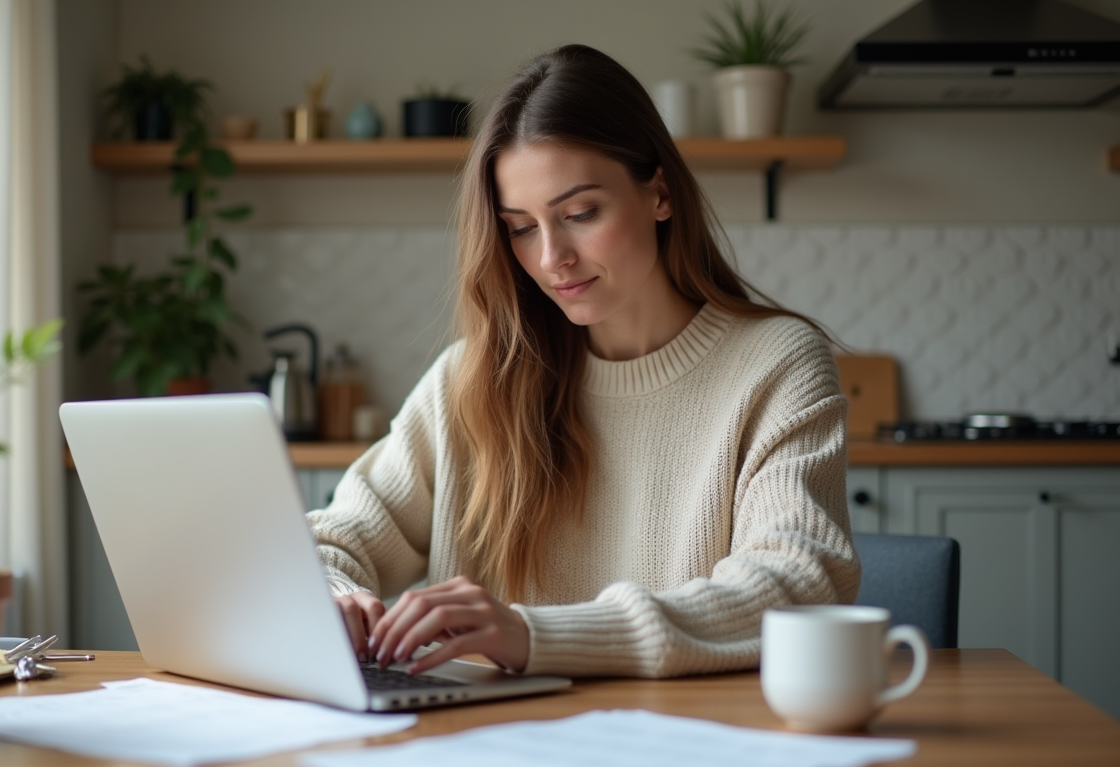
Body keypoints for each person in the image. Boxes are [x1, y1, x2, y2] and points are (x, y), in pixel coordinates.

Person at [309, 43, 859, 680]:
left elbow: (797, 581)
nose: (551, 259)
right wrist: (335, 599)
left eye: (580, 214)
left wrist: (533, 633)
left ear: (659, 193)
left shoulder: (778, 365)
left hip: (687, 754)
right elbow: (334, 537)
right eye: (520, 226)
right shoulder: (473, 378)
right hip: (494, 758)